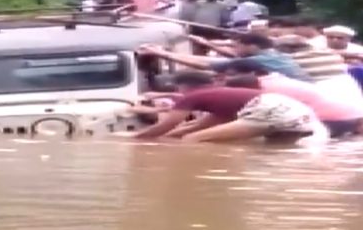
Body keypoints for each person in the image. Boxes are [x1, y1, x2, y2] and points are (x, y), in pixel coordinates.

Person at [134, 71, 320, 143]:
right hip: (298, 112)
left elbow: (167, 126)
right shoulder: (221, 96)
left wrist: (134, 140)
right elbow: (197, 126)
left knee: (193, 141)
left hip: (270, 109)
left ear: (183, 86)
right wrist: (166, 139)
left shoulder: (192, 96)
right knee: (273, 151)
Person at [220, 59, 361, 137]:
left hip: (331, 120)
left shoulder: (263, 88)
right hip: (351, 116)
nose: (226, 79)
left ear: (253, 73)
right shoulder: (276, 78)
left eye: (230, 75)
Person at [140, 33, 312, 81]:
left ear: (252, 47)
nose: (234, 49)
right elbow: (215, 61)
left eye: (238, 46)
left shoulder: (257, 60)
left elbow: (205, 65)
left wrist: (161, 53)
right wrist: (166, 54)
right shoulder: (276, 55)